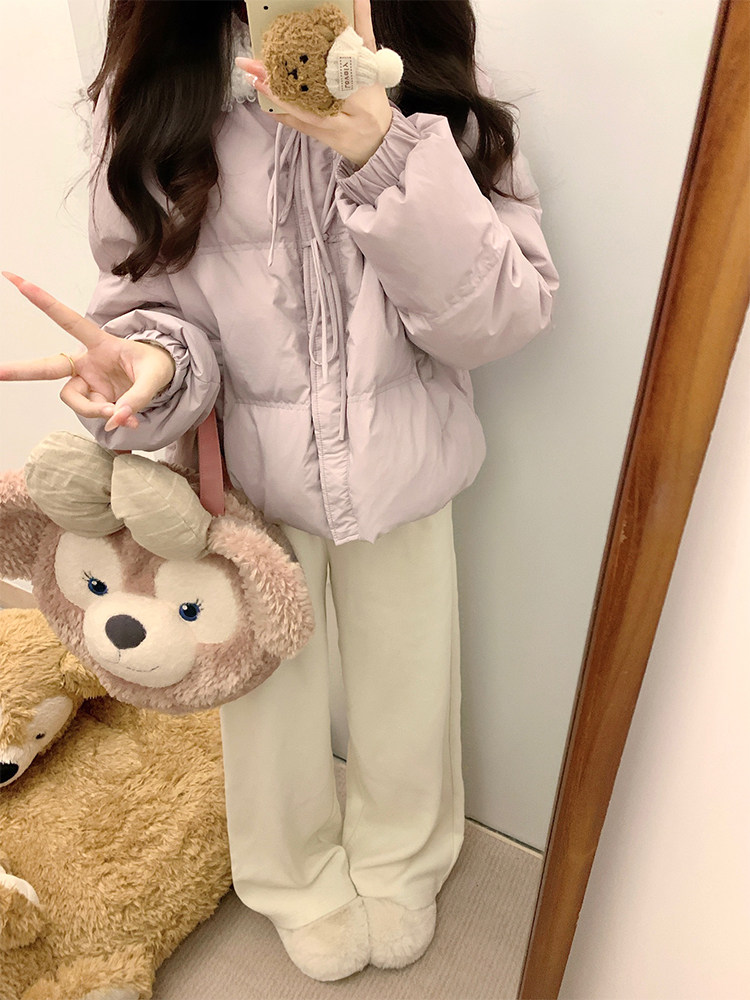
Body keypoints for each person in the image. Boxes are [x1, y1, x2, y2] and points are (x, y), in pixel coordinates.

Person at [0, 0, 559, 984]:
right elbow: (146, 307)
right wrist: (148, 366)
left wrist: (383, 151)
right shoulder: (165, 96)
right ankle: (292, 876)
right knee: (265, 704)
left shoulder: (428, 85)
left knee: (409, 687)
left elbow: (501, 320)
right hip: (245, 486)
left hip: (403, 470)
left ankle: (402, 860)